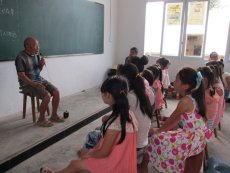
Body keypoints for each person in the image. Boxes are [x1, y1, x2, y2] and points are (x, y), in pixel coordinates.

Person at [40, 76, 138, 173]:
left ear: (107, 95)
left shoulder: (115, 124)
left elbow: (104, 152)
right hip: (124, 159)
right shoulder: (129, 114)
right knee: (84, 157)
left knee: (74, 164)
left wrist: (89, 154)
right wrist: (106, 119)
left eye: (102, 92)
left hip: (114, 164)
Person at [138, 67, 212, 173]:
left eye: (177, 80)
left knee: (155, 138)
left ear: (185, 85)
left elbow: (171, 122)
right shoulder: (194, 96)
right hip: (197, 137)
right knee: (164, 134)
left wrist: (157, 130)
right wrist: (164, 124)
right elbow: (177, 119)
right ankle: (146, 165)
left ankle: (144, 166)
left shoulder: (185, 101)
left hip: (192, 139)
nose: (174, 81)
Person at [15, 37, 64, 127]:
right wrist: (35, 85)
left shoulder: (36, 54)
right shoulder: (20, 57)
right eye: (35, 45)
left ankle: (54, 115)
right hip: (27, 84)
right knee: (47, 95)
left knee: (56, 91)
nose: (38, 48)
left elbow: (38, 70)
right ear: (27, 46)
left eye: (38, 45)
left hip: (39, 79)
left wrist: (41, 65)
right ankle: (41, 119)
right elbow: (21, 75)